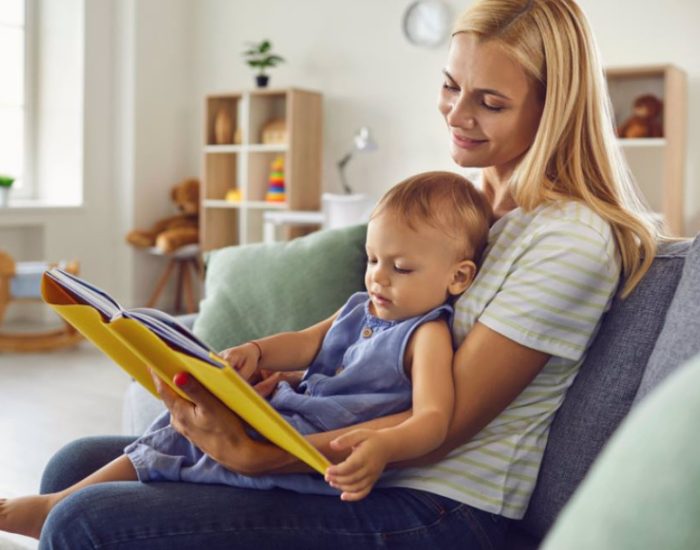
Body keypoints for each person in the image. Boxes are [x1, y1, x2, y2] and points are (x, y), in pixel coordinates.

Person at [10, 0, 661, 547]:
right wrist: (267, 373)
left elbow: (443, 424)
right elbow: (364, 330)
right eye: (449, 86)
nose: (457, 115)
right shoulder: (466, 211)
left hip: (440, 506)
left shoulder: (568, 238)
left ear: (554, 110)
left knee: (84, 520)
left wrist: (261, 453)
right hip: (365, 474)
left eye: (489, 102)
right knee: (75, 464)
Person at [0, 171, 493, 536]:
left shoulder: (425, 335)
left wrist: (383, 446)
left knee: (196, 440)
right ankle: (62, 502)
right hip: (292, 417)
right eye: (372, 259)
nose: (378, 278)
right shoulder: (360, 307)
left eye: (401, 268)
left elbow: (433, 418)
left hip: (315, 449)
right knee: (183, 420)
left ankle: (56, 507)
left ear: (458, 278)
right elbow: (305, 341)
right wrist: (256, 351)